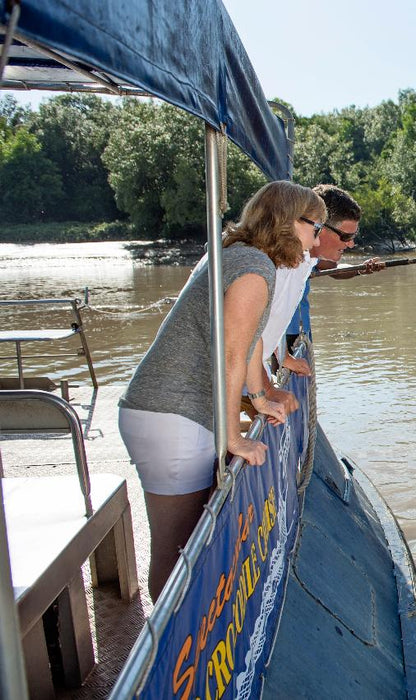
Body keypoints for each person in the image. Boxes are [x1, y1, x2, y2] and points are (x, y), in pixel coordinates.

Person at [118, 180, 326, 600]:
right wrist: (235, 437)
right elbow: (232, 354)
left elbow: (248, 346)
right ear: (288, 222)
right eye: (315, 226)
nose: (317, 239)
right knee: (179, 552)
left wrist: (263, 396)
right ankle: (169, 657)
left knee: (184, 544)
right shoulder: (254, 269)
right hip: (174, 415)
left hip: (168, 413)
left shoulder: (243, 257)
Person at [283, 184, 384, 372]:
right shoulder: (282, 262)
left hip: (301, 335)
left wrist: (362, 269)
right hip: (283, 340)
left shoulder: (307, 258)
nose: (352, 244)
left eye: (354, 236)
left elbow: (334, 269)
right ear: (320, 226)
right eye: (346, 236)